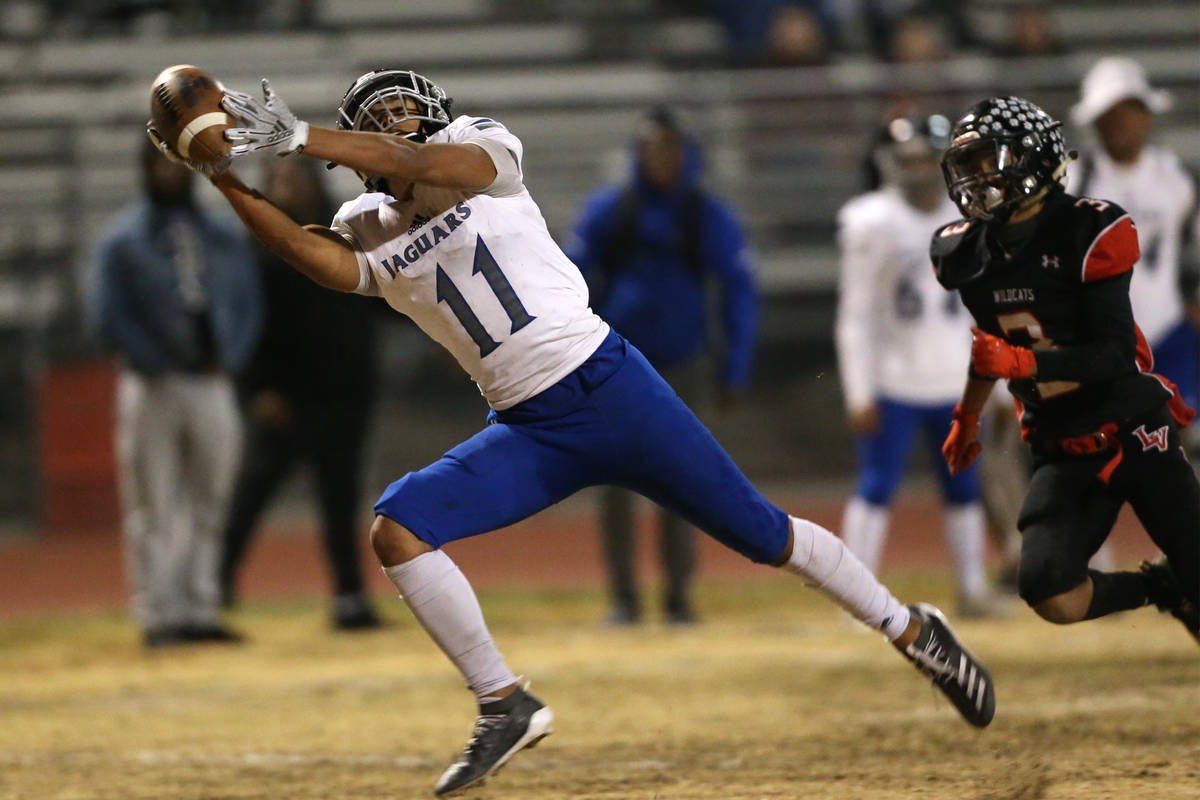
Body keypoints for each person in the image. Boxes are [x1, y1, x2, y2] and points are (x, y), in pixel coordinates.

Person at [148, 69, 995, 796]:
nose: (390, 131)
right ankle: (503, 702)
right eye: (373, 124)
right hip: (528, 426)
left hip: (611, 385)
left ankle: (913, 630)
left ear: (433, 111)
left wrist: (306, 136)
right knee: (398, 526)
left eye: (399, 113)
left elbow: (417, 162)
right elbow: (316, 259)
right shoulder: (370, 221)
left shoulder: (485, 146)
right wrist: (226, 180)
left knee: (762, 536)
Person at [931, 95, 1200, 647]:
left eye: (990, 162)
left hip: (1133, 430)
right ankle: (1161, 588)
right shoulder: (967, 252)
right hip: (1060, 445)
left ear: (1032, 159)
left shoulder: (1086, 230)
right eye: (970, 166)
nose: (977, 179)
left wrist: (1024, 362)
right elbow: (990, 350)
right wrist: (969, 416)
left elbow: (1113, 354)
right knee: (1051, 592)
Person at [565, 108, 759, 625]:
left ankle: (677, 596)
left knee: (683, 483)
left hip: (681, 366)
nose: (660, 159)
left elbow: (737, 291)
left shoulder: (704, 216)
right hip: (613, 368)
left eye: (669, 148)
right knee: (613, 485)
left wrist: (734, 368)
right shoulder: (612, 211)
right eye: (650, 149)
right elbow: (569, 281)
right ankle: (623, 598)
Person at [85, 137, 262, 648]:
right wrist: (154, 358)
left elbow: (247, 303)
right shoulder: (121, 240)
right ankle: (158, 613)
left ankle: (201, 606)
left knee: (212, 496)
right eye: (158, 166)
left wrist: (231, 357)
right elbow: (108, 314)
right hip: (152, 382)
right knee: (153, 501)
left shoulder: (222, 234)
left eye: (175, 166)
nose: (168, 175)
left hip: (212, 381)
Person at [835, 114, 1003, 618]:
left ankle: (972, 589)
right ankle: (853, 595)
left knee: (965, 489)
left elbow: (986, 308)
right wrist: (858, 391)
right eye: (907, 160)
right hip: (893, 379)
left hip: (955, 378)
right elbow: (856, 315)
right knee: (877, 486)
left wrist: (995, 388)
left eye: (926, 158)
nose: (919, 170)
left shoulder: (972, 212)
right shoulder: (870, 220)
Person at [219, 157, 383, 631]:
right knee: (252, 493)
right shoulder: (256, 249)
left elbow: (378, 305)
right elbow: (244, 327)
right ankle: (214, 584)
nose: (287, 185)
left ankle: (350, 598)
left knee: (341, 500)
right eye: (279, 179)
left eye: (295, 177)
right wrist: (257, 387)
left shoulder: (344, 240)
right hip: (286, 398)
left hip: (344, 396)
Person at [1067, 57, 1200, 448]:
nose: (1121, 124)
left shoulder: (1177, 177)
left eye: (1129, 111)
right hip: (1099, 336)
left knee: (1178, 432)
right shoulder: (1076, 180)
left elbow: (1189, 249)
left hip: (1167, 326)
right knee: (1096, 446)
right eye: (1110, 115)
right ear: (1095, 122)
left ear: (1147, 115)